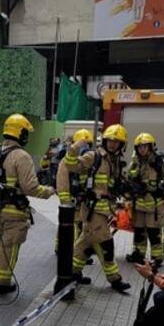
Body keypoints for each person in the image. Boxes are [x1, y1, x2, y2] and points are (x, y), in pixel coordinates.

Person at [63, 124, 132, 292]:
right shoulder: (94, 156)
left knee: (85, 245)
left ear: (122, 145)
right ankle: (114, 279)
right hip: (93, 210)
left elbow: (115, 186)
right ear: (105, 141)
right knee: (106, 245)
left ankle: (71, 272)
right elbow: (71, 165)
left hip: (105, 210)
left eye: (117, 142)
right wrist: (74, 148)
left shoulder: (116, 162)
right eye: (110, 141)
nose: (113, 144)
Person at [0, 114, 55, 294]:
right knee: (10, 247)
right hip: (14, 212)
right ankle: (2, 284)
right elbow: (30, 187)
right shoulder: (21, 156)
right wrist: (49, 192)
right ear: (21, 134)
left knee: (2, 245)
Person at [125, 133, 164, 267]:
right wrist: (127, 197)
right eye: (139, 147)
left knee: (154, 232)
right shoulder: (135, 163)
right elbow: (127, 181)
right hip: (138, 205)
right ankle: (138, 254)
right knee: (139, 232)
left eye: (145, 146)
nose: (142, 149)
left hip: (154, 206)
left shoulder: (159, 162)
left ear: (151, 147)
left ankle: (157, 258)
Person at [56, 129, 95, 266]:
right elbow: (62, 182)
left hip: (81, 201)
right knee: (69, 226)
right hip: (70, 201)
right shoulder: (65, 162)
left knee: (80, 227)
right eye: (84, 144)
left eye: (88, 145)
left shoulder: (85, 162)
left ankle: (77, 252)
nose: (86, 148)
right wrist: (66, 201)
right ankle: (62, 249)